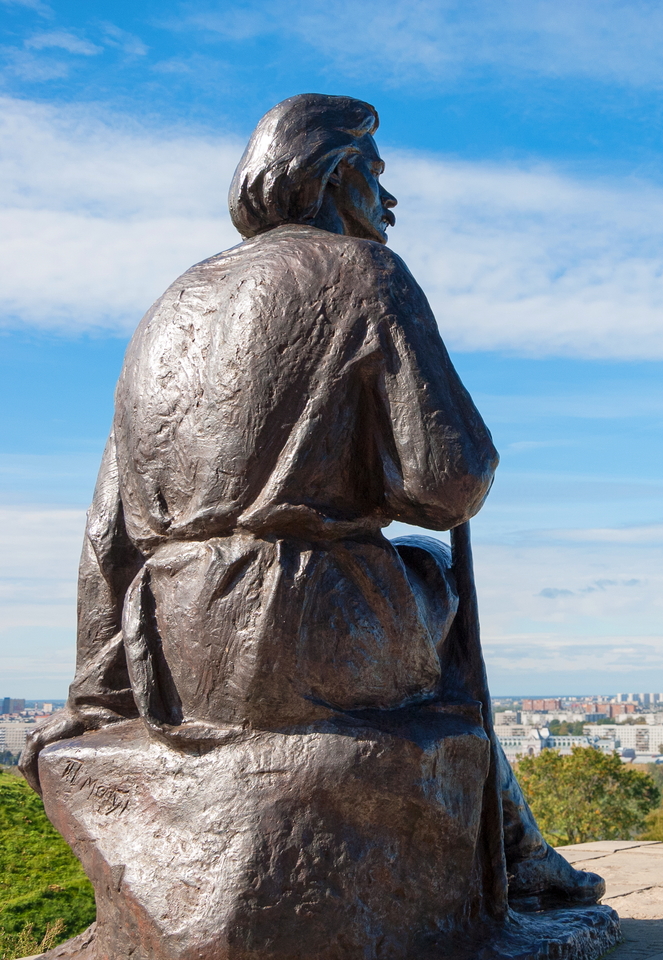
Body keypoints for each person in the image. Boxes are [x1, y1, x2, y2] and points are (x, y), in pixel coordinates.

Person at [21, 93, 598, 909]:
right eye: (375, 174)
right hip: (308, 625)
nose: (388, 202)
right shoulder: (367, 273)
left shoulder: (168, 308)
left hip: (174, 648)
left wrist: (94, 695)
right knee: (433, 570)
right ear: (328, 175)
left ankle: (516, 845)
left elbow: (108, 535)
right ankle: (517, 849)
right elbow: (446, 484)